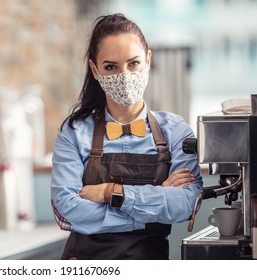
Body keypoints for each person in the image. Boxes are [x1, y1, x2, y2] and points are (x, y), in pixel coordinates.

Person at [50, 13, 203, 260]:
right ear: (95, 69)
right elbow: (68, 211)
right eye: (111, 67)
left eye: (133, 64)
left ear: (148, 60)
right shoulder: (74, 132)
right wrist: (152, 208)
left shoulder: (175, 130)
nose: (124, 75)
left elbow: (186, 204)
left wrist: (110, 192)